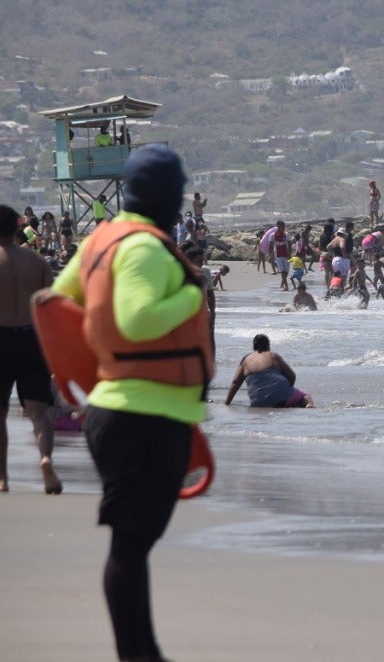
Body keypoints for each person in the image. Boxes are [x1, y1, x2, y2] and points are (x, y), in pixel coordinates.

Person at [50, 145, 212, 662]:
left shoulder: (102, 240)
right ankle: (138, 655)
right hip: (143, 416)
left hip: (120, 411)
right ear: (167, 194)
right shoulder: (143, 248)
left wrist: (85, 379)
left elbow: (56, 302)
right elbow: (138, 321)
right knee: (131, 544)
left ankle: (144, 653)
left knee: (133, 541)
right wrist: (193, 292)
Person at [0, 204, 61, 495]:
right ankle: (45, 457)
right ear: (17, 227)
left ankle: (2, 478)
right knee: (39, 412)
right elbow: (52, 308)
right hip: (32, 338)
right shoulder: (37, 262)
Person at [224, 334, 313, 408]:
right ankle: (309, 405)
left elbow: (235, 383)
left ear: (254, 347)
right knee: (304, 395)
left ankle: (288, 400)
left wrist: (227, 402)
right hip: (281, 399)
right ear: (268, 346)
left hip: (258, 402)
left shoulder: (245, 360)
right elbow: (292, 376)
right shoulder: (273, 356)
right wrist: (288, 389)